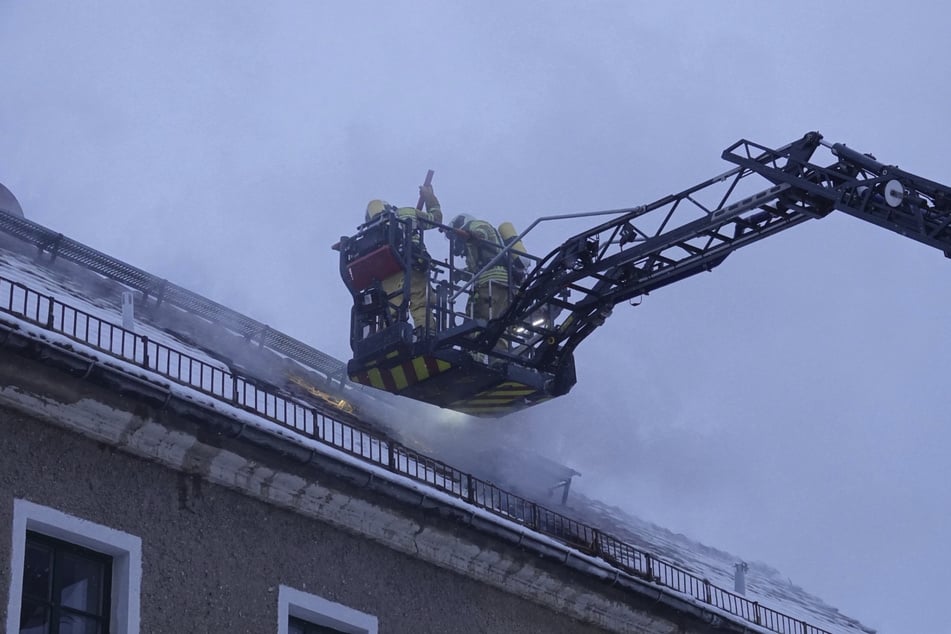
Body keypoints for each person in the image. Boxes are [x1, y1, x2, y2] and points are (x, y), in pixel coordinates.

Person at [364, 184, 442, 333]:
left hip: (388, 271)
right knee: (419, 303)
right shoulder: (407, 212)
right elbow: (436, 219)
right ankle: (425, 333)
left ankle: (388, 337)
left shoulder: (368, 233)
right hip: (413, 264)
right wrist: (430, 197)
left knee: (391, 308)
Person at [446, 214, 511, 322]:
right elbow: (474, 271)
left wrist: (471, 236)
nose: (455, 241)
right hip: (490, 281)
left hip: (492, 280)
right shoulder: (473, 250)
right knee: (494, 322)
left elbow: (482, 233)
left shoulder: (476, 224)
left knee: (482, 317)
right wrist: (460, 274)